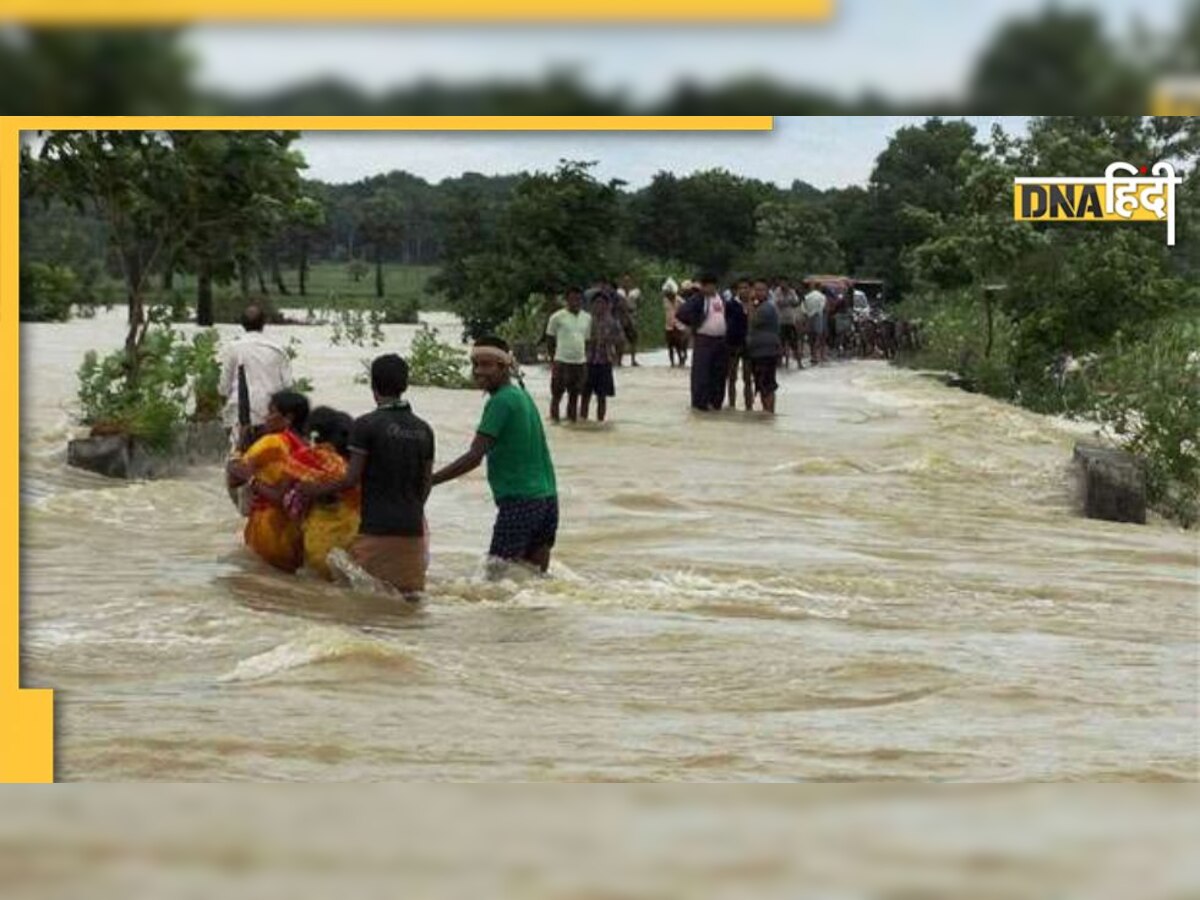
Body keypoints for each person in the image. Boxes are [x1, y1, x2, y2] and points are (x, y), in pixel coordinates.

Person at [301, 355, 435, 598]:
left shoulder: (366, 425)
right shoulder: (424, 429)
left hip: (376, 531)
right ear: (405, 385)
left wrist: (312, 490)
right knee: (409, 606)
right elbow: (425, 485)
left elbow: (351, 479)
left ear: (372, 385)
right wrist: (410, 510)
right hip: (413, 534)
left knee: (365, 608)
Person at [433, 337, 559, 574]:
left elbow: (474, 457)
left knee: (497, 580)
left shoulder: (500, 402)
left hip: (519, 502)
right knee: (534, 582)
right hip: (547, 500)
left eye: (487, 365)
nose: (479, 372)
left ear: (504, 367)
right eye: (476, 365)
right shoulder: (522, 396)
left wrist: (429, 481)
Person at [226, 390, 310, 573]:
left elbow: (234, 478)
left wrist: (239, 449)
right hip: (299, 533)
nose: (266, 417)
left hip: (269, 527)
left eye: (271, 412)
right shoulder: (308, 445)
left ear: (288, 418)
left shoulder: (271, 443)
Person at [284, 406, 361, 581]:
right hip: (353, 534)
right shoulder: (355, 464)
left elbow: (288, 494)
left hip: (321, 537)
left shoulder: (309, 458)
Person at [218, 304, 294, 449]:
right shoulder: (278, 350)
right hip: (271, 416)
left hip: (240, 416)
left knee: (238, 458)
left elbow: (223, 388)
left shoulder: (233, 349)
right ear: (263, 323)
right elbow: (288, 387)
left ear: (242, 324)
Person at [675, 274, 729, 411]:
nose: (709, 288)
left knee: (719, 373)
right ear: (702, 286)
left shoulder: (721, 298)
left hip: (720, 341)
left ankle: (716, 402)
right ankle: (700, 404)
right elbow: (681, 313)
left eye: (712, 285)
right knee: (701, 373)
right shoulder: (698, 299)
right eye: (706, 286)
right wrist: (694, 324)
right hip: (704, 340)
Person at [544, 287, 592, 424]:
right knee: (557, 394)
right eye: (572, 299)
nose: (575, 302)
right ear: (566, 300)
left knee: (575, 395)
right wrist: (553, 358)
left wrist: (585, 357)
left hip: (580, 362)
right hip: (562, 360)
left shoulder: (587, 318)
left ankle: (572, 422)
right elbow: (550, 338)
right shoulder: (557, 317)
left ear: (582, 300)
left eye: (578, 299)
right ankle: (554, 420)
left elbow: (587, 340)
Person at [581, 293, 620, 423]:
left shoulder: (612, 322)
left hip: (605, 361)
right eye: (597, 303)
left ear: (607, 306)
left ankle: (600, 421)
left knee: (602, 396)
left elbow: (620, 339)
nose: (600, 306)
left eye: (602, 303)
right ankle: (583, 420)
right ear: (592, 306)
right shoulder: (586, 321)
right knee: (585, 394)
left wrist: (610, 342)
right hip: (588, 361)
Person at [747, 280, 782, 414]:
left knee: (767, 385)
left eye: (761, 290)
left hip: (766, 351)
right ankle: (767, 412)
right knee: (763, 384)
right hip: (760, 351)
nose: (758, 293)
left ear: (767, 292)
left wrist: (750, 304)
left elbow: (752, 321)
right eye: (756, 290)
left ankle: (769, 412)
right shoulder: (763, 306)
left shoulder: (766, 308)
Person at [725, 279, 752, 410]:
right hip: (733, 344)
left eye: (746, 287)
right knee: (731, 378)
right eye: (741, 288)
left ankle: (749, 407)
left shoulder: (755, 305)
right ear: (736, 290)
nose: (743, 290)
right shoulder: (730, 305)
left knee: (748, 378)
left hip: (749, 346)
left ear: (750, 289)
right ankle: (731, 406)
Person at [774, 277, 802, 369]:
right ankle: (779, 363)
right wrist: (788, 302)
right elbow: (778, 303)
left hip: (790, 321)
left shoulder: (792, 292)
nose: (783, 285)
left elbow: (796, 302)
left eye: (785, 283)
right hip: (780, 321)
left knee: (794, 343)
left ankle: (799, 363)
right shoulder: (777, 292)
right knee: (780, 344)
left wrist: (787, 302)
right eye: (781, 283)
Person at [615, 273, 641, 366]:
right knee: (619, 339)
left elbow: (639, 303)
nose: (626, 282)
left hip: (632, 314)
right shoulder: (618, 292)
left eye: (628, 281)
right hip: (621, 316)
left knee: (633, 338)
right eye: (625, 281)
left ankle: (633, 360)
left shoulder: (636, 292)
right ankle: (619, 360)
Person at [661, 278, 687, 368]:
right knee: (670, 346)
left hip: (678, 325)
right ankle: (672, 362)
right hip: (669, 326)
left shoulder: (679, 300)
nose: (668, 295)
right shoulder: (665, 300)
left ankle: (681, 359)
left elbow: (685, 308)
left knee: (679, 345)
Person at [802, 284, 828, 365]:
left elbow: (803, 307)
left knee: (811, 337)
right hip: (818, 316)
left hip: (809, 317)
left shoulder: (807, 296)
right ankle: (818, 356)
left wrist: (807, 314)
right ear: (820, 288)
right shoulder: (822, 296)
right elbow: (822, 307)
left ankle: (813, 355)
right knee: (819, 337)